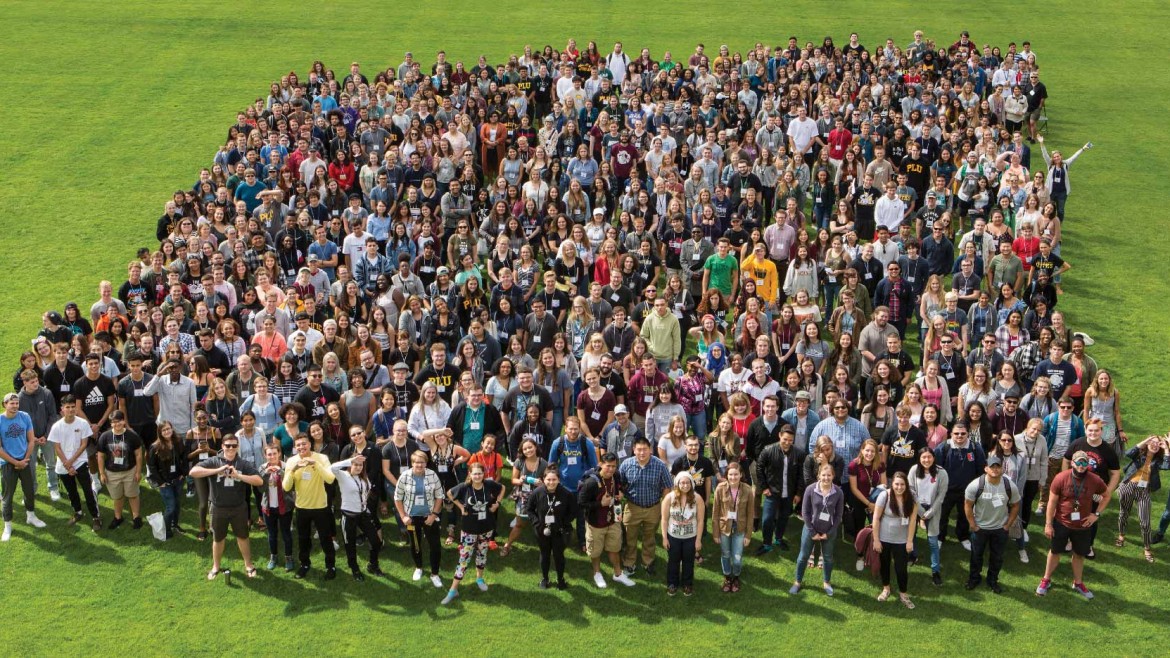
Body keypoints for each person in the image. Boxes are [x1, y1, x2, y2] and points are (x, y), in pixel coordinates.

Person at [1036, 450, 1111, 600]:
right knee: (1055, 551)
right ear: (1072, 463)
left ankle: (1078, 583)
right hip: (1061, 523)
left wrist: (1096, 514)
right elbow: (1051, 502)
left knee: (1079, 554)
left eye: (1085, 462)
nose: (1082, 465)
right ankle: (1045, 580)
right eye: (1079, 462)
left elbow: (1106, 495)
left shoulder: (1095, 479)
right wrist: (1048, 524)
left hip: (1083, 526)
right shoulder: (1061, 478)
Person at [189, 435, 264, 579]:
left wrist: (238, 476)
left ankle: (249, 565)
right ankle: (216, 566)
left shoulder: (242, 463)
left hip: (239, 507)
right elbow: (193, 472)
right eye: (228, 445)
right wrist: (218, 470)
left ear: (238, 447)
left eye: (234, 446)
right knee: (218, 539)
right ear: (222, 446)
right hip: (218, 507)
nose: (231, 448)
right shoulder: (213, 461)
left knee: (243, 537)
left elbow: (259, 481)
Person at [442, 461, 505, 605]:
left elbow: (502, 488)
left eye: (480, 473)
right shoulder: (465, 487)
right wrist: (460, 507)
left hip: (486, 528)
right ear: (470, 474)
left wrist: (498, 504)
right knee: (464, 559)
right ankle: (453, 589)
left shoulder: (489, 485)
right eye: (475, 473)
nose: (477, 476)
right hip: (469, 529)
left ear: (484, 474)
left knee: (482, 553)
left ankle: (479, 578)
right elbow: (449, 493)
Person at [963, 455, 1021, 593]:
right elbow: (967, 505)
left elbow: (1015, 505)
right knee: (976, 556)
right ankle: (974, 579)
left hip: (1000, 529)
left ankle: (992, 580)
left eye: (998, 466)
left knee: (997, 557)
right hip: (980, 528)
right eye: (992, 467)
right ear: (986, 469)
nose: (995, 469)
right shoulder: (975, 485)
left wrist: (1007, 525)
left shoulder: (1009, 485)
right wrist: (973, 525)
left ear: (1002, 469)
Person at [577, 452, 636, 588]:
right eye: (608, 466)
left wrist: (620, 492)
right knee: (596, 551)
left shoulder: (616, 475)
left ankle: (618, 574)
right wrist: (600, 504)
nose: (611, 469)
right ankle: (597, 573)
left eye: (614, 466)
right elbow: (580, 503)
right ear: (601, 465)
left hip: (614, 520)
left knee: (615, 548)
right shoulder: (591, 483)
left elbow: (621, 486)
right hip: (595, 524)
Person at [282, 435, 338, 580]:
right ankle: (305, 564)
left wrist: (316, 464)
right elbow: (286, 486)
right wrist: (293, 470)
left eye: (304, 444)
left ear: (310, 444)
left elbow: (330, 479)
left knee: (326, 538)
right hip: (302, 507)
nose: (301, 447)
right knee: (303, 539)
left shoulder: (321, 458)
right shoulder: (291, 461)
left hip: (321, 506)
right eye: (298, 445)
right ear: (295, 447)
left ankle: (330, 565)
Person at [619, 436, 674, 576]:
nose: (642, 453)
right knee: (630, 537)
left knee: (649, 537)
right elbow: (620, 484)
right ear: (633, 450)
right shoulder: (626, 464)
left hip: (653, 507)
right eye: (639, 450)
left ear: (650, 450)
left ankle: (647, 562)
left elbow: (667, 486)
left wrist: (663, 505)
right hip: (632, 507)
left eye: (645, 449)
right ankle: (629, 563)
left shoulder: (660, 465)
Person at [49, 395, 102, 531]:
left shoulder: (82, 423)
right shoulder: (56, 426)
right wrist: (67, 464)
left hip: (80, 463)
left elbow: (84, 444)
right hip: (63, 466)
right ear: (62, 409)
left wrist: (72, 462)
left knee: (88, 491)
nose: (71, 409)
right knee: (71, 492)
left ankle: (96, 517)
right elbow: (57, 448)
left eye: (73, 407)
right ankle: (78, 512)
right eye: (68, 407)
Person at [791, 462, 845, 596]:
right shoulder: (810, 489)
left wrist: (830, 533)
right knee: (803, 556)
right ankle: (797, 582)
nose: (826, 478)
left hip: (829, 531)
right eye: (823, 475)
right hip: (810, 529)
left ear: (833, 476)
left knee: (828, 557)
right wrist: (812, 531)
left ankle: (827, 582)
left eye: (829, 475)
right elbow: (805, 511)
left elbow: (838, 515)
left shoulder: (838, 492)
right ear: (818, 475)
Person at [394, 449, 445, 587]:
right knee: (415, 544)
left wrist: (434, 515)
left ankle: (435, 574)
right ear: (412, 463)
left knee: (435, 545)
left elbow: (440, 495)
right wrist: (403, 516)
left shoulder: (432, 475)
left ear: (426, 463)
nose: (419, 465)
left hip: (429, 516)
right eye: (416, 462)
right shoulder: (404, 476)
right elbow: (397, 498)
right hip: (411, 518)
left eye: (422, 462)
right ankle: (419, 567)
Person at [330, 451, 384, 582]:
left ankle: (373, 565)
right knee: (351, 545)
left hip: (363, 514)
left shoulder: (363, 478)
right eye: (355, 464)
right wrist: (350, 460)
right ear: (350, 464)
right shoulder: (343, 475)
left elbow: (365, 495)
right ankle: (354, 569)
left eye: (361, 465)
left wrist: (366, 509)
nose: (358, 467)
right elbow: (332, 467)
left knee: (376, 541)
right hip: (348, 516)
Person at [1, 392, 47, 541]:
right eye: (11, 403)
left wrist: (25, 460)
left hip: (25, 461)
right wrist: (16, 463)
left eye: (17, 403)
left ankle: (31, 516)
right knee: (8, 497)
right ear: (5, 405)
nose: (15, 406)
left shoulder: (25, 417)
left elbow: (31, 440)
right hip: (8, 464)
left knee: (29, 491)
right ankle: (7, 526)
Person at [934, 422, 986, 549]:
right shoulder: (942, 448)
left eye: (963, 433)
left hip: (967, 491)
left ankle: (963, 537)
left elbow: (981, 469)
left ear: (968, 434)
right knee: (942, 515)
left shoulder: (975, 448)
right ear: (951, 434)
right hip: (946, 490)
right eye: (956, 433)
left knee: (964, 515)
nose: (959, 436)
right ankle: (940, 537)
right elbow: (936, 470)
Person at [525, 465, 577, 589]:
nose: (551, 482)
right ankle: (545, 579)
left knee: (559, 555)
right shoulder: (537, 493)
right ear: (543, 479)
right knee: (544, 554)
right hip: (542, 531)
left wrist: (563, 523)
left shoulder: (566, 494)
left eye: (554, 479)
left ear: (559, 479)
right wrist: (537, 523)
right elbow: (529, 509)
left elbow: (573, 511)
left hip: (560, 531)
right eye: (548, 479)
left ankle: (560, 580)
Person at [1118, 436, 1169, 561]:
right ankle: (1121, 536)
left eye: (1158, 444)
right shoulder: (1139, 454)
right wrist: (1145, 441)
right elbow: (1128, 453)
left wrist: (1167, 449)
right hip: (1128, 486)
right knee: (1124, 513)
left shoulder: (1158, 461)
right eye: (1153, 442)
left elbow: (1167, 466)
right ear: (1147, 443)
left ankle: (1147, 548)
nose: (1155, 445)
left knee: (1145, 522)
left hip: (1144, 491)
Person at [756, 424, 805, 554]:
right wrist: (764, 487)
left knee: (784, 517)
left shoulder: (799, 454)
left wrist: (799, 493)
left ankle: (778, 538)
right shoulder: (768, 450)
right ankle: (766, 543)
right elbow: (759, 468)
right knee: (767, 519)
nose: (787, 443)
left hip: (789, 493)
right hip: (772, 492)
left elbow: (801, 475)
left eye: (790, 440)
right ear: (779, 436)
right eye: (785, 439)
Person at [872, 472, 918, 609]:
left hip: (902, 540)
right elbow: (876, 518)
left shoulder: (912, 497)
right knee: (885, 565)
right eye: (896, 484)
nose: (899, 487)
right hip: (884, 538)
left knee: (901, 568)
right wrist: (876, 540)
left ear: (906, 485)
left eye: (902, 484)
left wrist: (910, 541)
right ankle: (886, 589)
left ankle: (903, 594)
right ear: (892, 484)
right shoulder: (884, 496)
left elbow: (913, 521)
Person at [96, 410, 145, 531]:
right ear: (110, 423)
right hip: (112, 473)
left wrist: (138, 472)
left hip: (130, 471)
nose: (116, 425)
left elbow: (139, 454)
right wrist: (102, 473)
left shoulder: (132, 436)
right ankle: (118, 517)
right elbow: (101, 456)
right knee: (117, 497)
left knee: (133, 495)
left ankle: (136, 517)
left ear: (124, 421)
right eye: (113, 422)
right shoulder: (105, 437)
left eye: (119, 421)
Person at [908, 447, 949, 586]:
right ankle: (912, 555)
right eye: (923, 457)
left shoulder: (941, 473)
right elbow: (911, 490)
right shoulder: (914, 470)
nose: (926, 460)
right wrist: (920, 511)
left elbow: (941, 496)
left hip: (933, 509)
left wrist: (930, 512)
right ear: (919, 459)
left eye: (929, 457)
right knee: (910, 534)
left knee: (933, 542)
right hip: (915, 507)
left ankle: (935, 571)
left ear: (933, 458)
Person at [712, 462, 755, 593]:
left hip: (740, 528)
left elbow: (750, 514)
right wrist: (715, 533)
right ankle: (727, 577)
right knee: (725, 554)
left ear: (741, 475)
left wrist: (748, 535)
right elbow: (715, 513)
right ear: (726, 475)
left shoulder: (747, 490)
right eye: (730, 474)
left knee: (737, 557)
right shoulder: (720, 489)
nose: (733, 477)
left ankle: (736, 576)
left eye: (736, 474)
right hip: (724, 527)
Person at [661, 471, 704, 596]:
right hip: (673, 536)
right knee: (673, 561)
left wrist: (698, 539)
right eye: (682, 483)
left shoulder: (697, 498)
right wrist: (664, 538)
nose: (685, 485)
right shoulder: (669, 497)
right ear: (677, 484)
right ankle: (672, 583)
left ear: (691, 483)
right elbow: (664, 519)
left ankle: (687, 584)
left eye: (687, 482)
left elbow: (701, 520)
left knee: (688, 561)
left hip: (691, 537)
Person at [258, 445, 295, 571]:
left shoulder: (286, 467)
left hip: (285, 506)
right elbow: (260, 489)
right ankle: (273, 557)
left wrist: (281, 472)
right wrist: (265, 475)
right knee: (272, 534)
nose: (272, 456)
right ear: (265, 456)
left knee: (286, 533)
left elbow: (290, 486)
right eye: (269, 454)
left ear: (279, 453)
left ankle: (288, 557)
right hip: (269, 507)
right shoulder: (262, 468)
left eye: (274, 453)